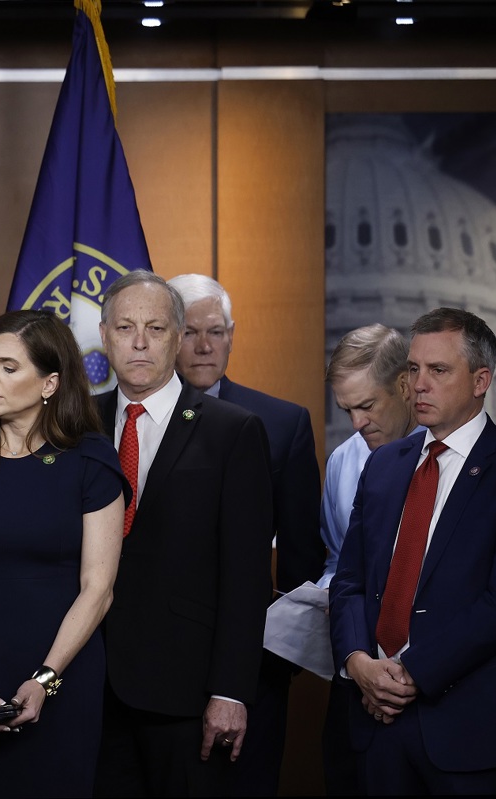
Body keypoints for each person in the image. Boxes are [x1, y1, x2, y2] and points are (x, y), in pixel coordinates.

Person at [0, 310, 125, 797]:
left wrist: (45, 680)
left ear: (50, 383)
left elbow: (99, 589)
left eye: (8, 368)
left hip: (63, 673)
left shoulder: (91, 461)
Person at [92, 271, 273, 797]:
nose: (140, 342)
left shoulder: (232, 430)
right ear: (104, 336)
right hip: (87, 686)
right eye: (125, 327)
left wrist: (232, 692)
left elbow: (246, 578)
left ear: (177, 335)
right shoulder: (76, 424)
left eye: (155, 327)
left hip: (186, 694)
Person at [330, 308, 496, 795]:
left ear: (480, 380)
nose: (418, 385)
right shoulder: (383, 465)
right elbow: (350, 581)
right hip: (373, 724)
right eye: (413, 369)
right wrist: (358, 662)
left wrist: (409, 675)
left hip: (461, 733)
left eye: (438, 371)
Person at [168, 273, 321, 796]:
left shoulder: (282, 423)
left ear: (232, 334)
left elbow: (301, 558)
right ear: (166, 335)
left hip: (251, 666)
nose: (206, 345)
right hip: (146, 664)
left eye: (218, 331)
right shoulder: (118, 418)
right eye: (190, 332)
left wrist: (275, 664)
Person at [318, 323, 417, 795]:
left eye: (367, 406)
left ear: (404, 386)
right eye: (346, 410)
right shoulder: (344, 461)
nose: (357, 423)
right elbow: (342, 565)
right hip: (357, 688)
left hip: (436, 691)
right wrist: (360, 666)